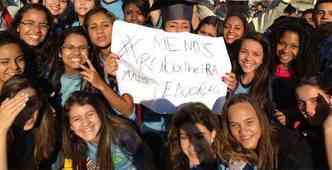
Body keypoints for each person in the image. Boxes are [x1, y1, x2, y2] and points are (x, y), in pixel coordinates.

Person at [61, 91, 155, 169]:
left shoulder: (123, 135)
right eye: (77, 119)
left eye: (90, 114)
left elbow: (147, 164)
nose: (85, 123)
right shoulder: (73, 144)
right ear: (70, 126)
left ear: (101, 113)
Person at [221, 94, 314, 170]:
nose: (243, 131)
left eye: (249, 122)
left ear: (261, 120)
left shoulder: (290, 150)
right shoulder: (230, 152)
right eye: (235, 125)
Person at [167, 102, 255, 170]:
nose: (192, 145)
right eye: (184, 137)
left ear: (213, 135)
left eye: (199, 137)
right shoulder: (175, 164)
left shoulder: (237, 166)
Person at [0, 75, 57, 169]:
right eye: (19, 106)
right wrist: (1, 131)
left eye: (33, 104)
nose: (28, 113)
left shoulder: (36, 135)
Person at [294, 76, 331, 169]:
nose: (307, 109)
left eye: (314, 100)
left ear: (330, 98)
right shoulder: (300, 134)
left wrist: (329, 128)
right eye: (301, 103)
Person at [9, 4, 53, 78]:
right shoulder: (3, 50)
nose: (37, 30)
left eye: (43, 25)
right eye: (29, 23)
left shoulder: (54, 56)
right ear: (18, 26)